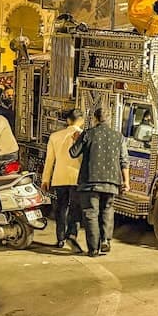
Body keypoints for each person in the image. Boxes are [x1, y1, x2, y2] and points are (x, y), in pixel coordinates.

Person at [69, 106, 128, 256]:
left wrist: (75, 140)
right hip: (111, 182)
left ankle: (93, 248)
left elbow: (73, 153)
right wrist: (126, 182)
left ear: (94, 119)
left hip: (90, 181)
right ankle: (105, 240)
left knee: (91, 214)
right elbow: (124, 161)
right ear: (109, 120)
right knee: (107, 210)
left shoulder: (88, 134)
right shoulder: (118, 136)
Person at [43, 107, 85, 252]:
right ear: (81, 120)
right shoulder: (83, 135)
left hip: (59, 177)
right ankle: (71, 235)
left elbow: (49, 160)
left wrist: (45, 180)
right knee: (75, 209)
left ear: (67, 120)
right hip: (76, 177)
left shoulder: (55, 136)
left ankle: (60, 238)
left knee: (61, 209)